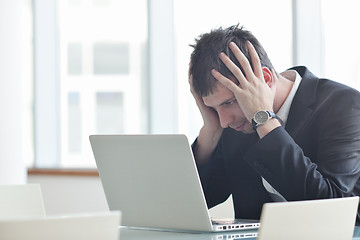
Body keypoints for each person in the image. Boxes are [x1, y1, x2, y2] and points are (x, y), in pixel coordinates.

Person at [188, 24, 360, 224]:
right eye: (214, 108)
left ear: (266, 79)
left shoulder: (344, 105)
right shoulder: (229, 122)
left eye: (228, 102)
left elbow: (329, 207)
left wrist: (263, 120)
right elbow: (191, 205)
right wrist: (209, 133)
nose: (224, 121)